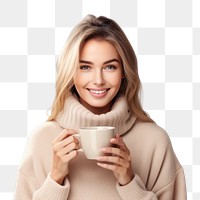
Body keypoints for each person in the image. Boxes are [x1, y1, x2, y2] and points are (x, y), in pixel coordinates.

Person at [14, 15, 187, 200]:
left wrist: (128, 182)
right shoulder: (44, 139)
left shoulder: (154, 141)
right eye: (85, 67)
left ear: (124, 72)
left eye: (110, 67)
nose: (98, 80)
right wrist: (55, 178)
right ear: (71, 73)